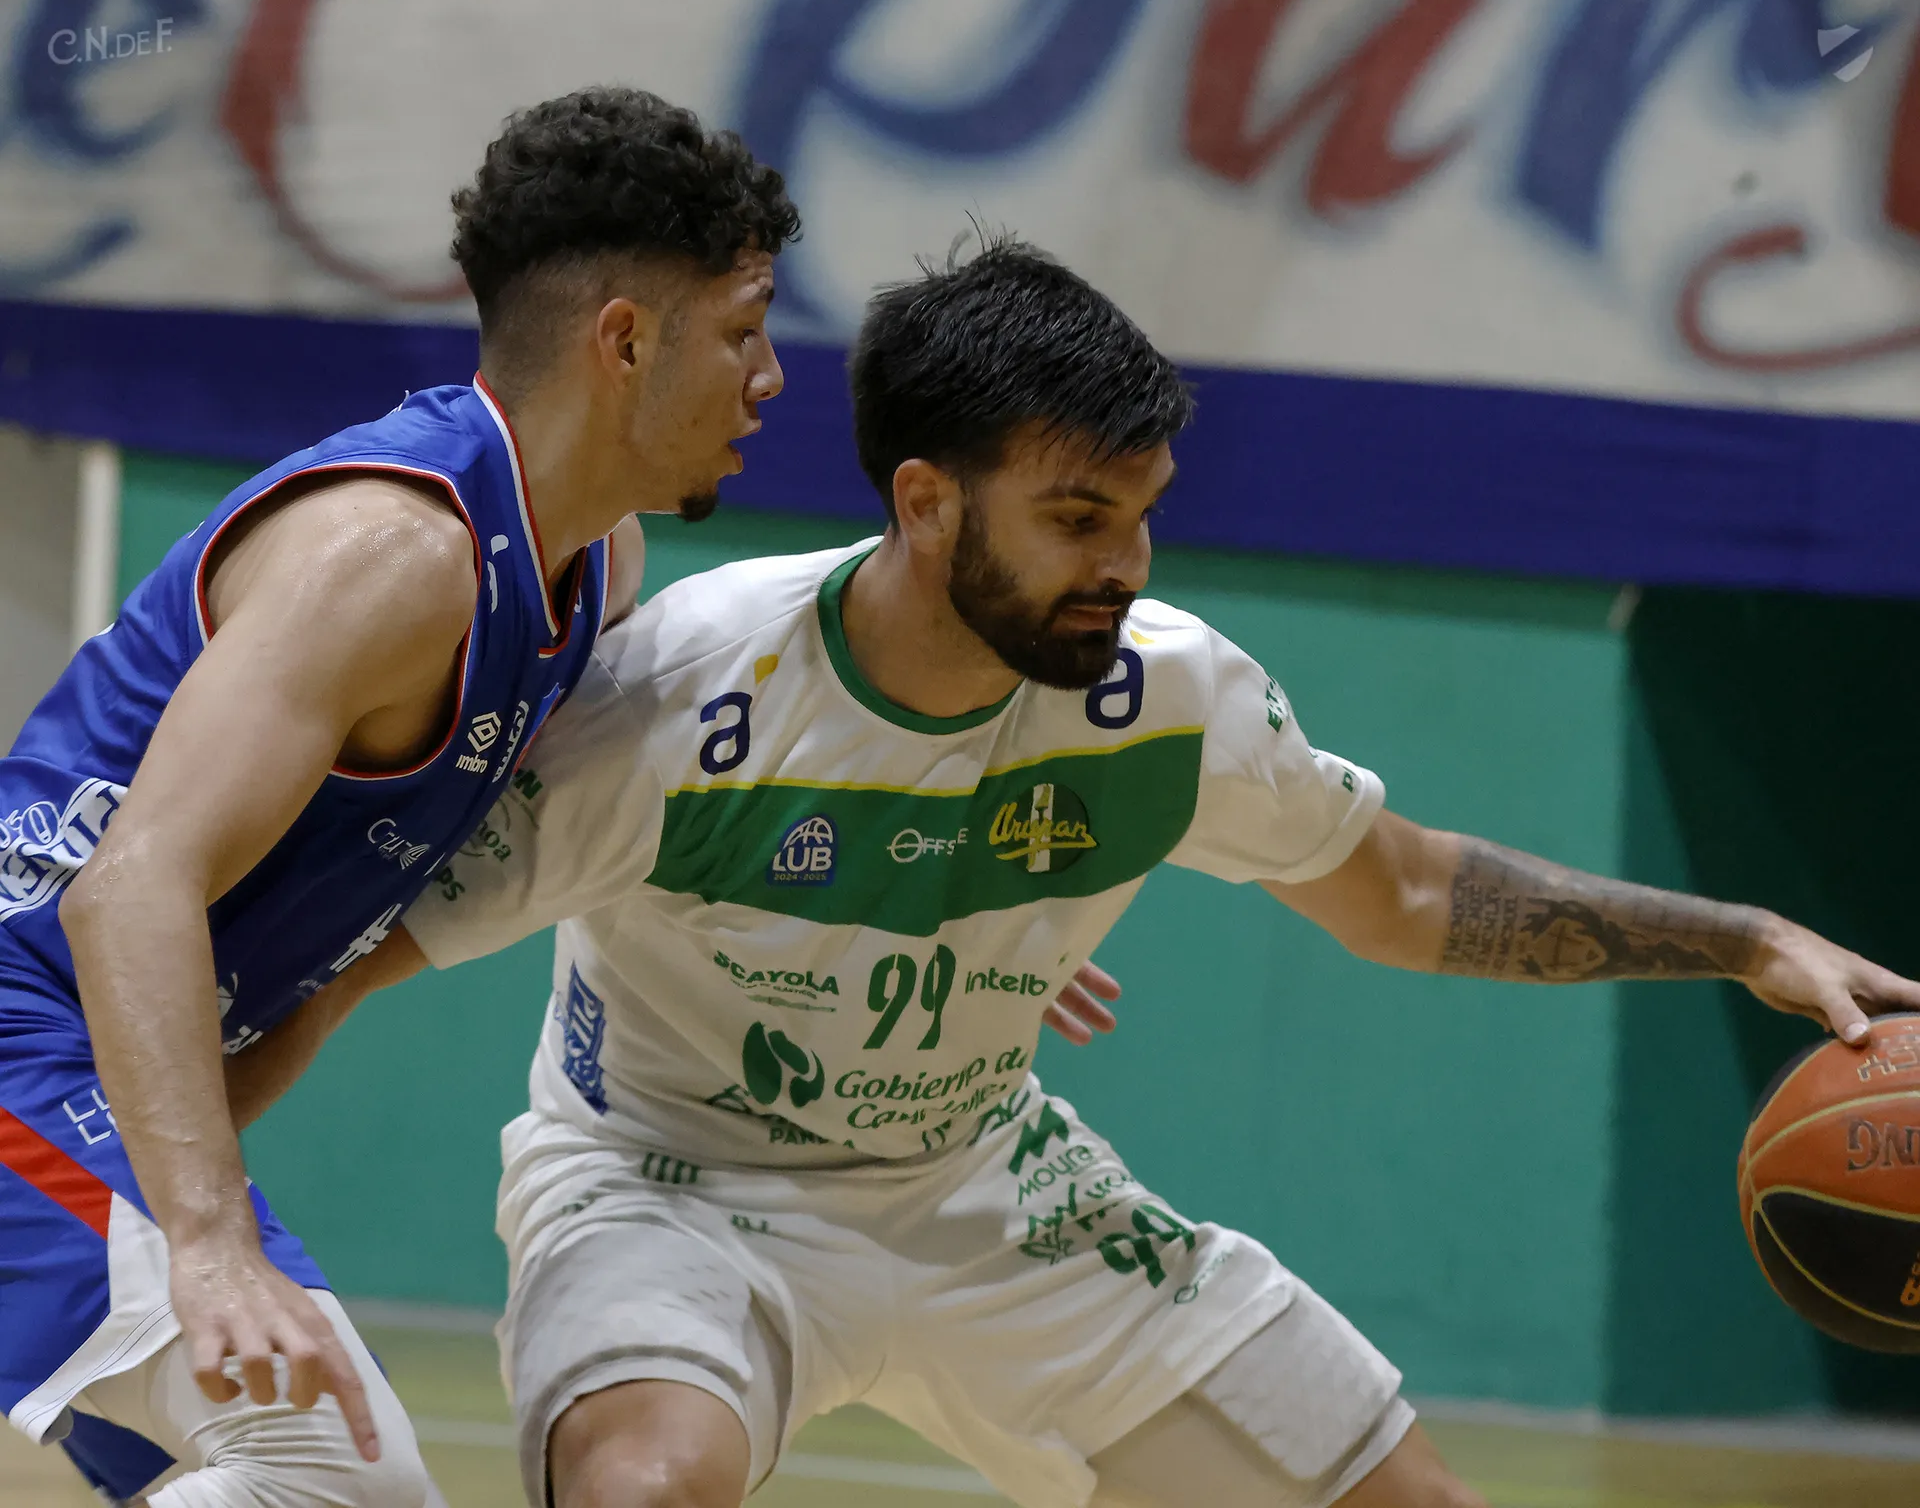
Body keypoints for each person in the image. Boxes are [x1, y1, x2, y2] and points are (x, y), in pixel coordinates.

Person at [243, 239, 1920, 1508]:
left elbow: (1407, 894)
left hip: (984, 1179)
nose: (1122, 564)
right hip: (671, 1187)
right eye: (1075, 519)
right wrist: (176, 1220)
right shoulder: (684, 701)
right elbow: (345, 958)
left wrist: (1742, 938)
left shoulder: (1167, 697)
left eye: (1139, 514)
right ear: (925, 503)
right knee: (646, 1487)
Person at [0, 86, 795, 1507]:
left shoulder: (590, 568)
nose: (772, 377)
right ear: (625, 340)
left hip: (81, 1079)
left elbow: (631, 821)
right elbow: (130, 888)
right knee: (336, 1473)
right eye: (743, 330)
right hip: (19, 1049)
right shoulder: (398, 556)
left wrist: (927, 903)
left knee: (302, 1470)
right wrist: (208, 1244)